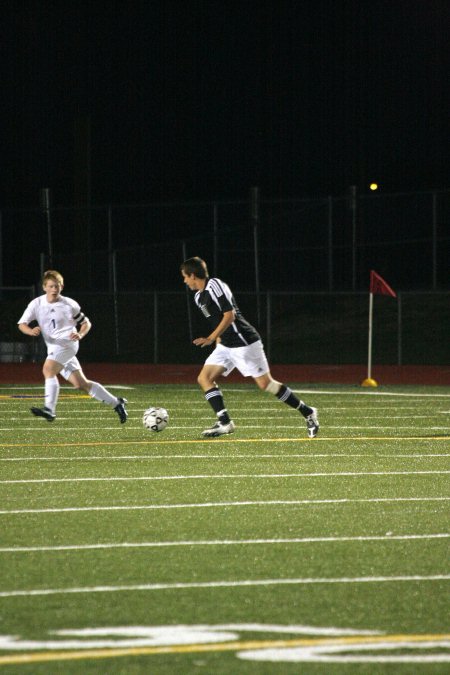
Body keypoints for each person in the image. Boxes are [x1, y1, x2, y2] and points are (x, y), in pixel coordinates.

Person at [180, 256, 319, 438]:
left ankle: (308, 412)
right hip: (225, 345)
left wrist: (211, 338)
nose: (184, 281)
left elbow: (230, 315)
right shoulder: (198, 297)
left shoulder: (214, 285)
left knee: (266, 384)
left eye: (185, 276)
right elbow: (217, 320)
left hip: (244, 341)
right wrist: (218, 342)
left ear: (193, 275)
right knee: (204, 378)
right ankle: (225, 423)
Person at [17, 269, 128, 424]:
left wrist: (80, 334)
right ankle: (116, 403)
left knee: (48, 369)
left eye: (57, 286)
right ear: (44, 287)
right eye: (51, 286)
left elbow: (86, 323)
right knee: (81, 384)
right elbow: (22, 324)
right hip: (54, 348)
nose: (54, 289)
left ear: (62, 286)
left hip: (68, 344)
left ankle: (49, 409)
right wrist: (30, 331)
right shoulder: (36, 304)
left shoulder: (69, 304)